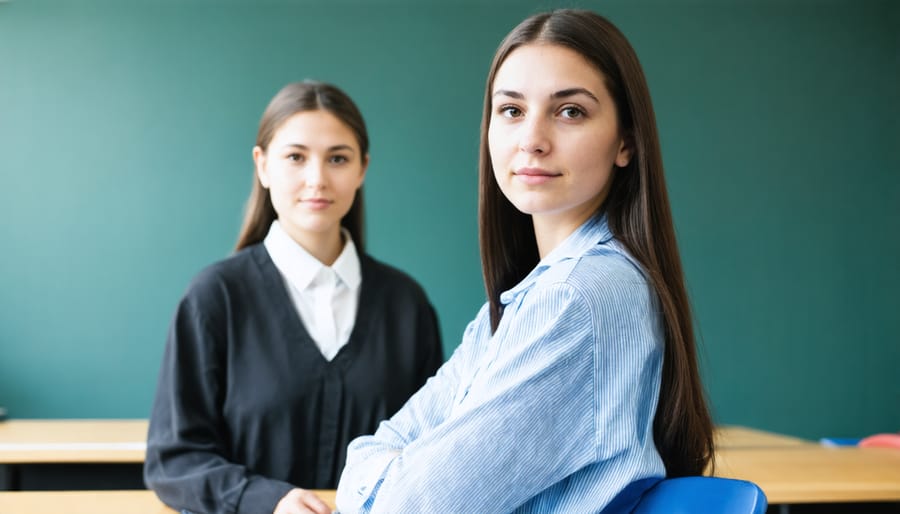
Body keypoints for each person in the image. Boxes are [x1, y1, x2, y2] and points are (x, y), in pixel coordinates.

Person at [335, 9, 714, 513]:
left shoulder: (578, 299)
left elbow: (408, 505)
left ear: (627, 142)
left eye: (570, 111)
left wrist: (391, 472)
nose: (531, 139)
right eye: (511, 110)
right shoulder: (520, 303)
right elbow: (389, 448)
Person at [144, 81, 443, 514]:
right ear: (263, 166)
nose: (317, 179)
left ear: (362, 169)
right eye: (295, 157)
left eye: (337, 158)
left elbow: (430, 449)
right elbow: (175, 460)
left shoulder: (406, 305)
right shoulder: (215, 298)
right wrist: (268, 500)